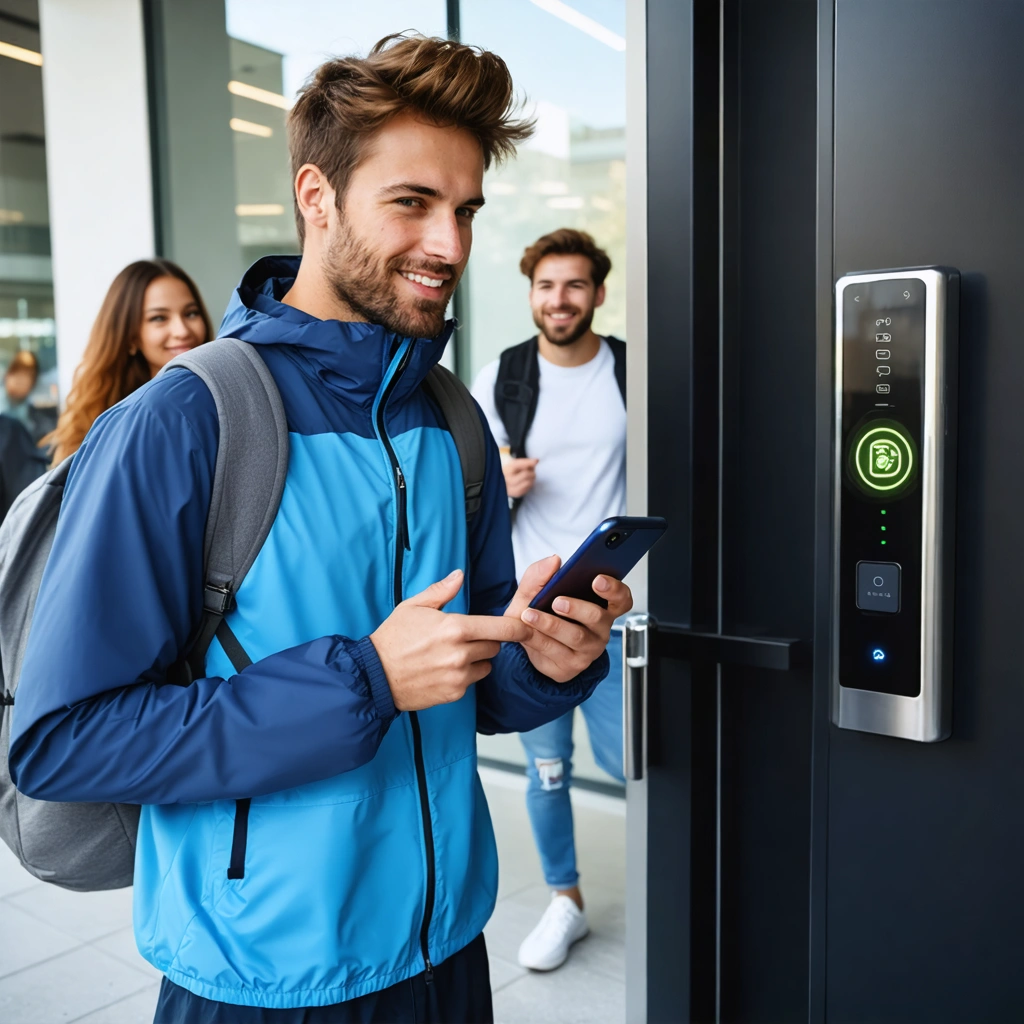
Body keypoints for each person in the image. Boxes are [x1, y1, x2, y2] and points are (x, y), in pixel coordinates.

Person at [8, 34, 633, 1024]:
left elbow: (472, 688)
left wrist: (542, 658)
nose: (452, 245)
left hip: (445, 955)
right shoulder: (184, 422)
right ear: (317, 197)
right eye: (411, 203)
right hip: (262, 984)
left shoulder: (452, 421)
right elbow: (62, 743)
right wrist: (366, 680)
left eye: (464, 209)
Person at [471, 228, 627, 972]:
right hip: (533, 614)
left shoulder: (632, 371)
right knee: (547, 770)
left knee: (637, 758)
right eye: (545, 286)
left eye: (573, 286)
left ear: (597, 292)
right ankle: (565, 901)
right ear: (531, 293)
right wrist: (495, 489)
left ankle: (674, 894)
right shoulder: (501, 376)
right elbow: (464, 494)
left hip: (618, 616)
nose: (558, 300)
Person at [42, 259, 211, 464]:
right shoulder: (108, 422)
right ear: (130, 336)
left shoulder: (222, 399)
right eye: (159, 318)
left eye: (191, 313)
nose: (182, 331)